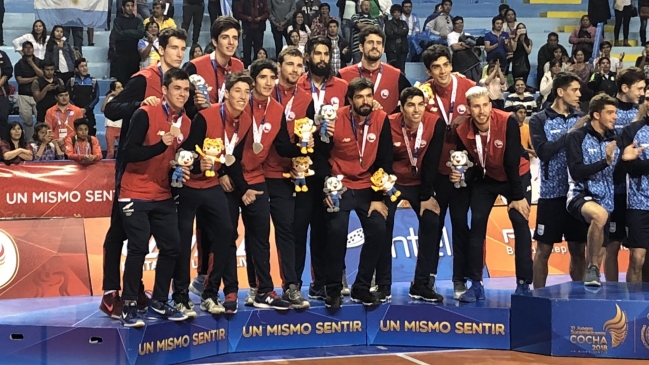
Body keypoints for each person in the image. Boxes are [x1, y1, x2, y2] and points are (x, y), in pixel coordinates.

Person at [99, 28, 188, 320]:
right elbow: (111, 107)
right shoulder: (146, 79)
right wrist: (140, 104)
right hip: (133, 166)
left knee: (162, 241)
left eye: (183, 48)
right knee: (119, 233)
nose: (179, 53)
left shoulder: (183, 82)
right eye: (174, 48)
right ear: (161, 50)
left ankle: (146, 293)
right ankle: (113, 292)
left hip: (163, 173)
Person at [172, 73, 253, 315]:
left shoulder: (246, 120)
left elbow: (233, 156)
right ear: (226, 93)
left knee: (226, 232)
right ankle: (180, 296)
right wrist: (198, 166)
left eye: (246, 93)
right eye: (237, 91)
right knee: (183, 241)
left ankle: (210, 293)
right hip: (189, 186)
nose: (242, 97)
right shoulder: (206, 116)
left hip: (211, 186)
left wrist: (242, 186)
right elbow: (185, 152)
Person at [229, 59, 306, 310]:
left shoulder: (277, 108)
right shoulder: (241, 105)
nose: (268, 83)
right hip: (233, 178)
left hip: (258, 177)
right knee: (246, 234)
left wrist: (304, 147)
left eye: (272, 78)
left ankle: (289, 286)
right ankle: (252, 286)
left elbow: (282, 145)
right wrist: (229, 177)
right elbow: (231, 147)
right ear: (253, 81)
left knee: (277, 230)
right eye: (263, 77)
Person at [118, 67, 192, 327]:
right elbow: (129, 153)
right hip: (135, 192)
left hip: (163, 193)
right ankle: (128, 304)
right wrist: (162, 145)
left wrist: (181, 166)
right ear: (164, 90)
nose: (182, 94)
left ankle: (159, 301)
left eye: (186, 90)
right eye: (177, 89)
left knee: (172, 247)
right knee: (138, 247)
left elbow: (177, 159)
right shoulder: (145, 114)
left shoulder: (188, 123)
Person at [315, 77, 393, 308]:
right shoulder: (334, 118)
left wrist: (378, 198)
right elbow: (320, 156)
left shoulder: (381, 119)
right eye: (359, 97)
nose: (365, 101)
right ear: (350, 100)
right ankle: (333, 289)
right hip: (340, 186)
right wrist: (327, 185)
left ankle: (361, 287)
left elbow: (385, 160)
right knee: (337, 230)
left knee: (379, 229)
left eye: (369, 96)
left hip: (369, 187)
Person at [453, 86, 532, 301]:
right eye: (476, 106)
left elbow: (511, 160)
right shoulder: (462, 130)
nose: (481, 111)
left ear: (490, 105)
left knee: (519, 220)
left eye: (485, 105)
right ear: (468, 109)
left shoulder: (508, 121)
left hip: (516, 174)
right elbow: (468, 163)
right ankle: (475, 284)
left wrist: (517, 197)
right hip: (487, 179)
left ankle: (524, 283)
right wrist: (460, 176)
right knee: (477, 223)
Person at [184, 18, 245, 297]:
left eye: (235, 37)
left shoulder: (241, 68)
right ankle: (192, 281)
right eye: (226, 37)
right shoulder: (195, 67)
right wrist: (193, 106)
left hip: (227, 155)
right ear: (215, 39)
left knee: (221, 227)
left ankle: (209, 281)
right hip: (198, 152)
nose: (231, 42)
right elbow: (181, 103)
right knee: (198, 225)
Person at [566, 94, 643, 287]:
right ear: (596, 115)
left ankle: (591, 283)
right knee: (599, 216)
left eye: (615, 112)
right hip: (580, 195)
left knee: (601, 247)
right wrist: (605, 162)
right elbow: (576, 171)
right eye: (610, 112)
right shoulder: (576, 136)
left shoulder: (615, 140)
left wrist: (624, 161)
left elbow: (616, 176)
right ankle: (592, 268)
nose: (615, 116)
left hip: (608, 201)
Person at [419, 45, 475, 298]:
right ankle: (427, 278)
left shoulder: (468, 88)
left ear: (451, 65)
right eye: (436, 67)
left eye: (445, 65)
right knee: (432, 226)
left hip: (464, 171)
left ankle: (460, 279)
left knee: (461, 226)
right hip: (435, 171)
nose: (442, 71)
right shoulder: (422, 92)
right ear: (429, 71)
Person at [295, 36, 349, 299]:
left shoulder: (343, 86)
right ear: (308, 56)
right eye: (317, 53)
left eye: (326, 54)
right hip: (301, 163)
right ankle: (303, 282)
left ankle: (329, 279)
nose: (322, 59)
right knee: (305, 224)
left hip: (332, 164)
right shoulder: (297, 85)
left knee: (329, 224)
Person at [381, 87, 446, 302]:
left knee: (431, 220)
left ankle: (421, 284)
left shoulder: (435, 122)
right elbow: (385, 159)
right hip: (393, 182)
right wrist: (386, 189)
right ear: (401, 107)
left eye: (420, 104)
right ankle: (383, 285)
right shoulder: (388, 123)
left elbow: (432, 160)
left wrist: (427, 195)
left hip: (421, 183)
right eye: (410, 105)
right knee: (382, 223)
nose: (416, 110)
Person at [264, 47, 315, 308]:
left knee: (288, 231)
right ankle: (259, 288)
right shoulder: (263, 91)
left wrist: (301, 162)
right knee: (258, 235)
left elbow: (305, 141)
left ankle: (292, 286)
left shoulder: (306, 99)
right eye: (290, 64)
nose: (295, 70)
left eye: (299, 65)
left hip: (286, 174)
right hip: (258, 174)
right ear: (279, 65)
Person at [529, 72, 587, 288]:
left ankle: (579, 298)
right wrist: (573, 132)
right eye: (575, 90)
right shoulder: (539, 119)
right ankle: (537, 296)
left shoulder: (580, 116)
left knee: (578, 249)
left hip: (576, 195)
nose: (579, 94)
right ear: (560, 92)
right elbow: (543, 152)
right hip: (551, 195)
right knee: (544, 249)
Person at [602, 67, 646, 283]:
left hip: (634, 192)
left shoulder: (641, 114)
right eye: (639, 89)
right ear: (624, 87)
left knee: (638, 251)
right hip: (611, 187)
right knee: (612, 244)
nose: (642, 93)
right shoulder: (608, 108)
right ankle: (612, 292)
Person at [338, 26, 411, 114]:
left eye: (379, 43)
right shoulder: (343, 75)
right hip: (352, 126)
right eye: (370, 42)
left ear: (383, 48)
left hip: (386, 127)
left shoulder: (396, 75)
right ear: (361, 47)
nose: (375, 46)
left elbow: (410, 102)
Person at [109, 0, 145, 85]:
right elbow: (118, 35)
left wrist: (125, 32)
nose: (130, 8)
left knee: (132, 84)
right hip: (121, 57)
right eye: (128, 6)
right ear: (123, 7)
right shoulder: (117, 20)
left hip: (134, 57)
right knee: (121, 84)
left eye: (132, 6)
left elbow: (140, 33)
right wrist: (133, 33)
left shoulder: (138, 21)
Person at [14, 41, 44, 141]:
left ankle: (40, 140)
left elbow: (42, 75)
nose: (28, 49)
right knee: (27, 121)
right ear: (23, 50)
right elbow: (20, 80)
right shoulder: (18, 64)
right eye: (26, 48)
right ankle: (30, 141)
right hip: (24, 95)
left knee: (41, 120)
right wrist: (34, 78)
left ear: (33, 49)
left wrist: (32, 64)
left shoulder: (39, 61)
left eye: (30, 47)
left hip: (38, 95)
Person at [67, 58, 99, 136]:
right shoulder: (71, 81)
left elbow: (96, 98)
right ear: (76, 69)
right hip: (74, 113)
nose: (84, 68)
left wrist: (86, 109)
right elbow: (68, 97)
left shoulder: (93, 81)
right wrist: (77, 110)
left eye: (85, 66)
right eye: (81, 66)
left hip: (89, 113)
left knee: (90, 135)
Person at [237, 0, 269, 68]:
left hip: (259, 29)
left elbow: (267, 13)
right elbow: (239, 13)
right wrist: (246, 18)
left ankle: (257, 67)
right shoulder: (243, 1)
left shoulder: (263, 1)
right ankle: (246, 67)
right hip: (247, 29)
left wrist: (260, 18)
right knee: (246, 50)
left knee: (258, 50)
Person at [384, 5, 409, 73]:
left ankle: (402, 83)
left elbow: (405, 32)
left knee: (402, 69)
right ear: (392, 13)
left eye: (398, 12)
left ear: (401, 13)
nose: (397, 14)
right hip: (391, 49)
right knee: (391, 69)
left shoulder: (404, 23)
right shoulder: (388, 23)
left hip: (403, 49)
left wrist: (395, 31)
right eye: (395, 12)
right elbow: (389, 34)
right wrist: (400, 32)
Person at [102, 81, 123, 159]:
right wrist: (109, 95)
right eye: (118, 87)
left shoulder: (124, 99)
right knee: (110, 152)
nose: (121, 89)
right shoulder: (110, 99)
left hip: (121, 128)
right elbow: (103, 109)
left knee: (123, 149)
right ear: (113, 90)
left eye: (121, 87)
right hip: (111, 127)